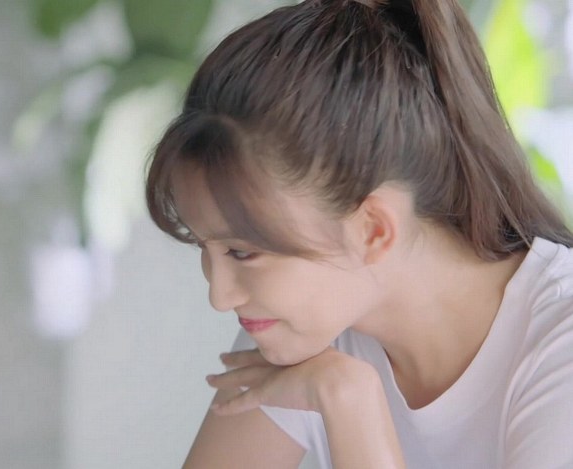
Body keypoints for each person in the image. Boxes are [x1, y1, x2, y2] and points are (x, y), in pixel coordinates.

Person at [144, 0, 573, 467]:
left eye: (242, 252)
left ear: (373, 231)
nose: (221, 296)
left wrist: (349, 404)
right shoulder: (305, 323)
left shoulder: (559, 347)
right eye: (205, 246)